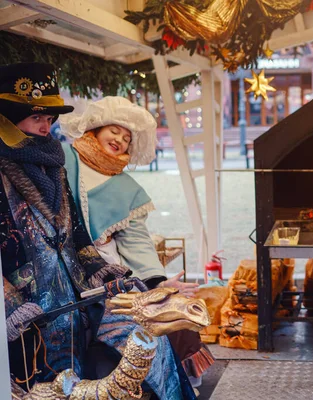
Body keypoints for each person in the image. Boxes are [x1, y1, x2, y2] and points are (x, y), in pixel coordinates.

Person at [0, 62, 195, 399]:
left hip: (74, 303)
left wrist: (103, 272)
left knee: (141, 352)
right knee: (49, 389)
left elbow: (78, 236)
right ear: (8, 119)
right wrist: (10, 305)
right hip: (29, 316)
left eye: (49, 119)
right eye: (37, 118)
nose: (45, 127)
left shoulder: (54, 168)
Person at [60, 95, 214, 386]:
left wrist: (157, 282)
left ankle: (169, 380)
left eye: (127, 138)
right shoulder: (62, 159)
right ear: (96, 128)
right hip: (60, 266)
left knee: (165, 310)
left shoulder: (128, 188)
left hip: (107, 270)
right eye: (114, 130)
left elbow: (137, 242)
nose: (120, 140)